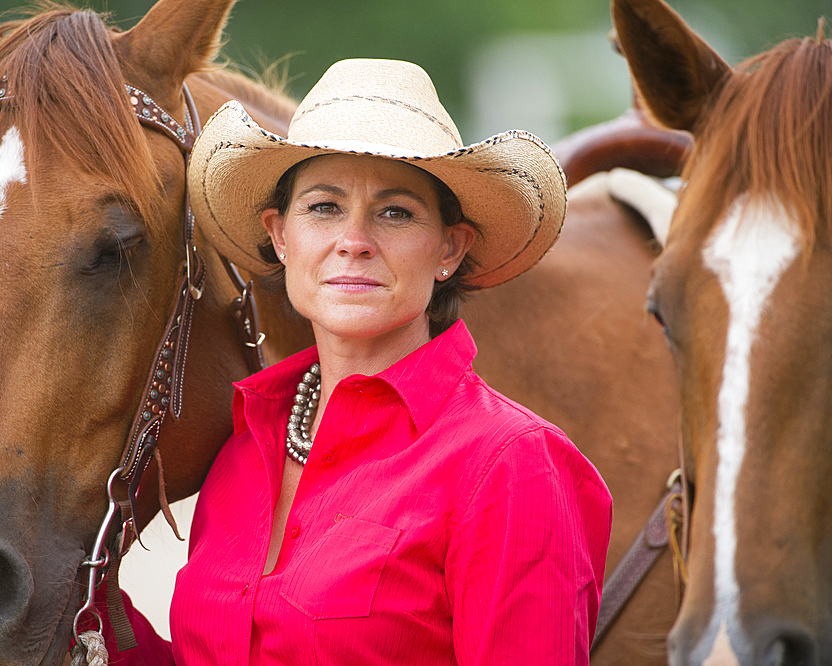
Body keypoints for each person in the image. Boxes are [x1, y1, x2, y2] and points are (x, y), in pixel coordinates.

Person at [87, 58, 611, 665]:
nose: (354, 239)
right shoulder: (244, 450)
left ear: (449, 248)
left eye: (395, 212)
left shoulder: (511, 463)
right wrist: (91, 609)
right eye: (324, 207)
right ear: (281, 237)